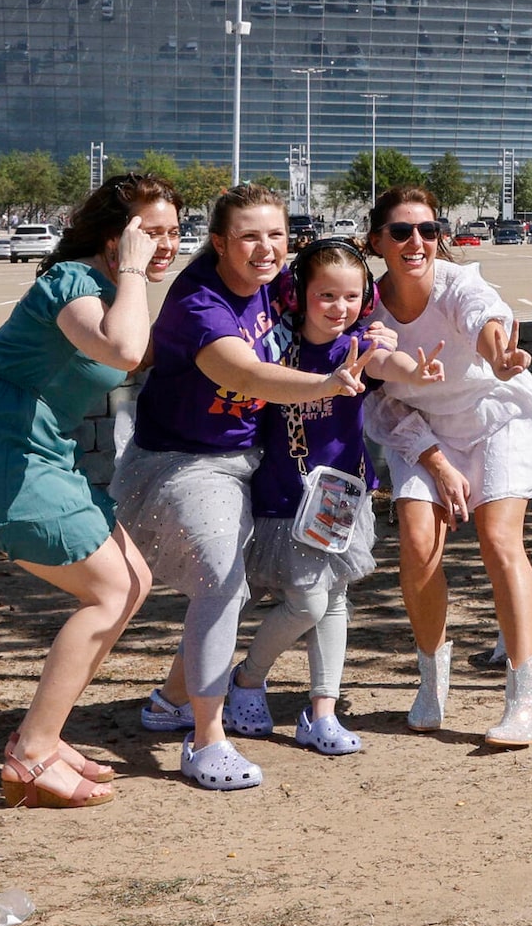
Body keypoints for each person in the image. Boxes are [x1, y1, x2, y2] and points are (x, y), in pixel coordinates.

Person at [0, 174, 181, 808]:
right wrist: (131, 270)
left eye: (173, 232)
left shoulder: (114, 289)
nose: (164, 245)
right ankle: (32, 755)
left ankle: (44, 734)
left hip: (39, 452)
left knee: (134, 581)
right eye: (151, 232)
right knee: (110, 589)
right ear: (116, 235)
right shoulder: (72, 283)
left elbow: (143, 345)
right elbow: (123, 349)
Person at [116, 184, 375, 793]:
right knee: (221, 582)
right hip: (186, 463)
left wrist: (385, 339)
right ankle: (207, 740)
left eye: (277, 235)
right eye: (250, 237)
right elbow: (248, 373)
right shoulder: (200, 302)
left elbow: (350, 293)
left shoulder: (276, 282)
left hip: (253, 458)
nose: (266, 249)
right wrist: (330, 385)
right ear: (219, 243)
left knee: (256, 587)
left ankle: (171, 700)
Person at [364, 184, 532, 745]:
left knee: (497, 537)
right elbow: (381, 394)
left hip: (493, 417)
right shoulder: (366, 304)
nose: (417, 242)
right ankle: (432, 680)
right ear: (376, 240)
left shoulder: (459, 284)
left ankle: (526, 694)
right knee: (416, 541)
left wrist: (500, 354)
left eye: (429, 230)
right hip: (420, 430)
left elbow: (484, 314)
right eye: (402, 231)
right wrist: (436, 463)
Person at [223, 238, 438, 755]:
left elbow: (386, 364)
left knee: (334, 599)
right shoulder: (275, 349)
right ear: (300, 295)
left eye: (350, 297)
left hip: (343, 497)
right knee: (307, 601)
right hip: (285, 497)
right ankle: (247, 680)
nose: (338, 308)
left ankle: (321, 711)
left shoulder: (359, 344)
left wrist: (417, 372)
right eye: (326, 296)